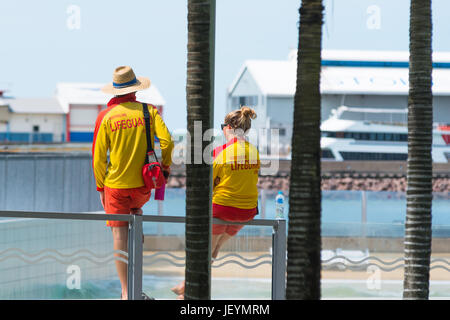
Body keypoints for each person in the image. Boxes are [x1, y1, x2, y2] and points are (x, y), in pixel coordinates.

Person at [92, 66, 174, 300]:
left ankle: (127, 292)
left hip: (115, 188)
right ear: (136, 88)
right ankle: (138, 272)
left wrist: (101, 188)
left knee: (119, 237)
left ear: (116, 90)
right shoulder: (149, 112)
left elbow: (98, 158)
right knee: (136, 216)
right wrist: (165, 166)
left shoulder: (105, 117)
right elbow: (167, 142)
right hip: (143, 187)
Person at [171, 106, 260, 299]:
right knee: (215, 248)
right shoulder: (254, 152)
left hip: (222, 209)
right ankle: (186, 288)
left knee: (204, 250)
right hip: (246, 212)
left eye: (222, 126)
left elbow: (207, 186)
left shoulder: (220, 151)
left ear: (228, 128)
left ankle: (187, 288)